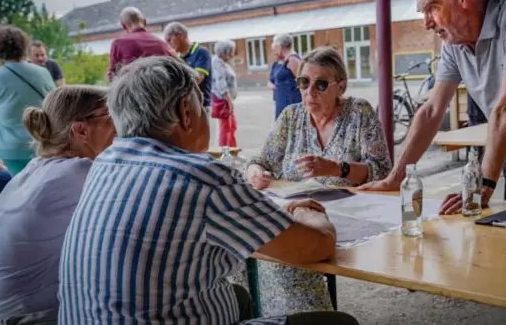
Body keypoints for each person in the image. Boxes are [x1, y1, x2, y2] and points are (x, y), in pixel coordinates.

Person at [58, 56, 359, 325]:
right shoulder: (201, 177)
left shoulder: (104, 162)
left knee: (238, 295)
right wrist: (308, 212)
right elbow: (315, 246)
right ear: (185, 113)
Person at [359, 0, 506, 211]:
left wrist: (482, 184)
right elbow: (431, 111)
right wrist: (396, 178)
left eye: (431, 7)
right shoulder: (454, 44)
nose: (426, 23)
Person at [245, 46, 392, 315]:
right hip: (301, 209)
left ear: (341, 86)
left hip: (353, 214)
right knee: (255, 252)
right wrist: (255, 170)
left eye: (321, 84)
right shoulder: (291, 116)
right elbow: (261, 159)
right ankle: (267, 315)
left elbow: (382, 170)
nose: (309, 92)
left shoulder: (359, 112)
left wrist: (337, 168)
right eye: (304, 83)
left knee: (289, 257)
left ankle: (307, 317)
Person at [0, 85, 115, 324]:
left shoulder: (36, 169)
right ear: (81, 130)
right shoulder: (77, 172)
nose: (120, 126)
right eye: (112, 116)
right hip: (26, 317)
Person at [0, 26, 56, 176]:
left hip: (12, 149)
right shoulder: (43, 73)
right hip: (42, 144)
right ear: (24, 46)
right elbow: (52, 104)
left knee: (21, 191)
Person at [108, 6, 176, 80]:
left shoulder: (118, 44)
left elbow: (113, 76)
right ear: (144, 21)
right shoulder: (162, 43)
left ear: (124, 26)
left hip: (133, 90)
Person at [164, 21, 212, 111]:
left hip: (200, 106)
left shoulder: (201, 52)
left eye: (169, 40)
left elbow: (197, 79)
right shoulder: (177, 56)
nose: (168, 44)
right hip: (183, 106)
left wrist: (177, 59)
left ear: (180, 35)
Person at [211, 39, 238, 147]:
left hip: (226, 99)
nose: (232, 54)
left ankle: (232, 149)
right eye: (231, 51)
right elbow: (221, 82)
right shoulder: (217, 62)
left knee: (231, 126)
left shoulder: (223, 62)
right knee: (225, 127)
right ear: (224, 52)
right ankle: (225, 151)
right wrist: (229, 101)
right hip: (223, 100)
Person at [269, 34, 302, 119]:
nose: (274, 51)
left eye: (275, 48)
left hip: (291, 103)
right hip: (282, 102)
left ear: (280, 46)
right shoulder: (283, 61)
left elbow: (303, 82)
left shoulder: (293, 60)